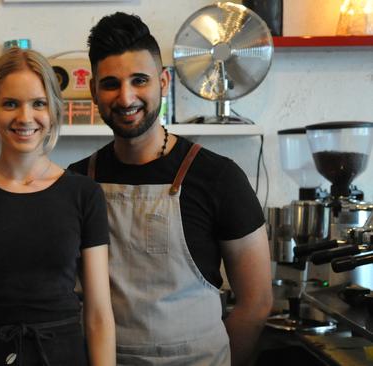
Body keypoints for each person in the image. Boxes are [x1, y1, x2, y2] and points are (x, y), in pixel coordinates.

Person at [68, 12, 273, 366]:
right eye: (111, 83)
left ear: (163, 82)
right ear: (93, 91)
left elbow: (256, 304)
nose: (126, 96)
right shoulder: (77, 182)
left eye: (139, 80)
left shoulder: (219, 178)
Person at [0, 47, 115, 366]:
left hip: (62, 356)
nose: (25, 117)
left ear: (54, 111)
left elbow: (99, 313)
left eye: (38, 104)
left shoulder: (84, 194)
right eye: (10, 104)